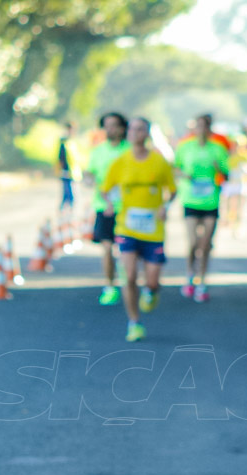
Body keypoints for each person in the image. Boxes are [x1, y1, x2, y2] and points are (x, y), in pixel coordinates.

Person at [100, 117, 176, 342]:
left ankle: (151, 292)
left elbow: (172, 190)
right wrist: (110, 203)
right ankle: (134, 322)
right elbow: (105, 188)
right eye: (132, 129)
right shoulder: (120, 162)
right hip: (127, 228)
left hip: (153, 231)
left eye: (140, 129)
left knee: (152, 281)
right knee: (130, 276)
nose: (135, 132)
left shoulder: (159, 162)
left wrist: (164, 206)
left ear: (147, 133)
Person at [174, 115, 229, 303]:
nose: (200, 130)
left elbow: (226, 174)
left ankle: (202, 281)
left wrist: (219, 170)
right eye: (197, 126)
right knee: (192, 242)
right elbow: (175, 168)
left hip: (210, 201)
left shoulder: (218, 149)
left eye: (204, 127)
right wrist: (185, 175)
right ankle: (190, 275)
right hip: (190, 200)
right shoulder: (185, 146)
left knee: (205, 244)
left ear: (209, 129)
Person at [84, 112, 129, 306]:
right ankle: (110, 286)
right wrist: (89, 179)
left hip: (129, 208)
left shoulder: (130, 151)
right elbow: (89, 173)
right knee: (107, 248)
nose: (110, 129)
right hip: (104, 207)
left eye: (114, 125)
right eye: (107, 126)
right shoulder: (98, 151)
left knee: (128, 251)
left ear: (122, 128)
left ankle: (129, 284)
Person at [57, 121, 76, 210]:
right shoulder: (63, 143)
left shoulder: (72, 142)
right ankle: (65, 212)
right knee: (68, 194)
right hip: (65, 172)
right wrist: (62, 171)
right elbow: (60, 158)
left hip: (72, 172)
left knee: (69, 194)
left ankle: (67, 212)